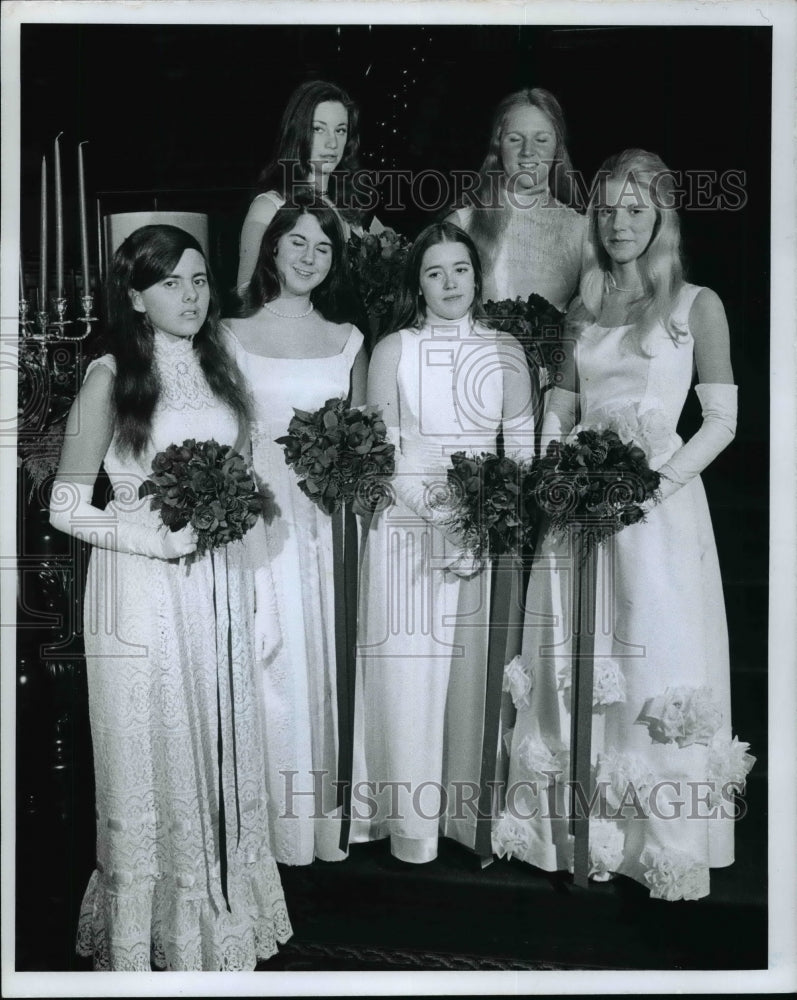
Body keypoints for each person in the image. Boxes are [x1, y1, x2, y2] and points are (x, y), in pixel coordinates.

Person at [495, 150, 755, 899]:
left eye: (634, 209)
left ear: (660, 218)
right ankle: (569, 830)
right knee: (571, 653)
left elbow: (722, 421)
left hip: (656, 514)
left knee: (650, 657)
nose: (617, 222)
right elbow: (563, 408)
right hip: (577, 508)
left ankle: (656, 842)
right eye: (606, 208)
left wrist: (649, 487)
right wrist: (550, 465)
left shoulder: (695, 304)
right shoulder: (580, 307)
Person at [49, 225, 292, 969]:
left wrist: (254, 587)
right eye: (170, 284)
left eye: (198, 281)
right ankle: (156, 931)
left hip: (212, 585)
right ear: (134, 296)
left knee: (217, 749)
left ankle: (222, 910)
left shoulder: (222, 367)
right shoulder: (109, 376)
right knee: (153, 754)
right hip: (139, 590)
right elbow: (63, 504)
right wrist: (151, 537)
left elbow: (243, 484)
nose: (189, 297)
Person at [350, 221, 535, 863]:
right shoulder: (394, 348)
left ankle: (466, 818)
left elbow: (524, 452)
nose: (450, 282)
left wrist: (483, 521)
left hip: (486, 532)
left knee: (471, 680)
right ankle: (411, 826)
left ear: (477, 278)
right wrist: (441, 517)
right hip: (408, 531)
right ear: (417, 284)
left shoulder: (507, 349)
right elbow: (384, 450)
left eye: (460, 269)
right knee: (409, 672)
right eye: (434, 272)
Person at [223, 193, 367, 865]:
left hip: (328, 520)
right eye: (298, 243)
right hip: (261, 516)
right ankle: (269, 823)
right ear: (272, 249)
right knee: (271, 659)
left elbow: (368, 440)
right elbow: (224, 436)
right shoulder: (229, 334)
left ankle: (326, 821)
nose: (310, 257)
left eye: (324, 246)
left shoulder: (349, 340)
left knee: (327, 655)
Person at [446, 87, 586, 312]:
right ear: (498, 145)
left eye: (541, 139)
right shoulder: (460, 225)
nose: (527, 151)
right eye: (515, 139)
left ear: (557, 147)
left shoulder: (582, 230)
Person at [237, 79, 380, 293]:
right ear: (298, 132)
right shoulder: (269, 208)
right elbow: (246, 292)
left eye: (340, 130)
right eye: (318, 129)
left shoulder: (347, 210)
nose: (332, 143)